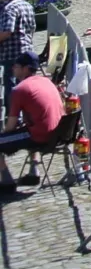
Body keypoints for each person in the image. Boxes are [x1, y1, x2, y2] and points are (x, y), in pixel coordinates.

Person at [0, 53, 63, 191]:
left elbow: (10, 126)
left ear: (26, 68)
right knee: (27, 128)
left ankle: (7, 181)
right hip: (58, 134)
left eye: (16, 66)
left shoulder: (20, 89)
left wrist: (4, 137)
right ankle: (34, 171)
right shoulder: (46, 81)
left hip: (41, 136)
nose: (13, 69)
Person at [0, 0, 36, 109]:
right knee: (24, 83)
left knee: (10, 85)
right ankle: (25, 111)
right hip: (26, 49)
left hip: (11, 52)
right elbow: (32, 27)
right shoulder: (26, 5)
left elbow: (6, 32)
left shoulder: (9, 8)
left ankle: (13, 115)